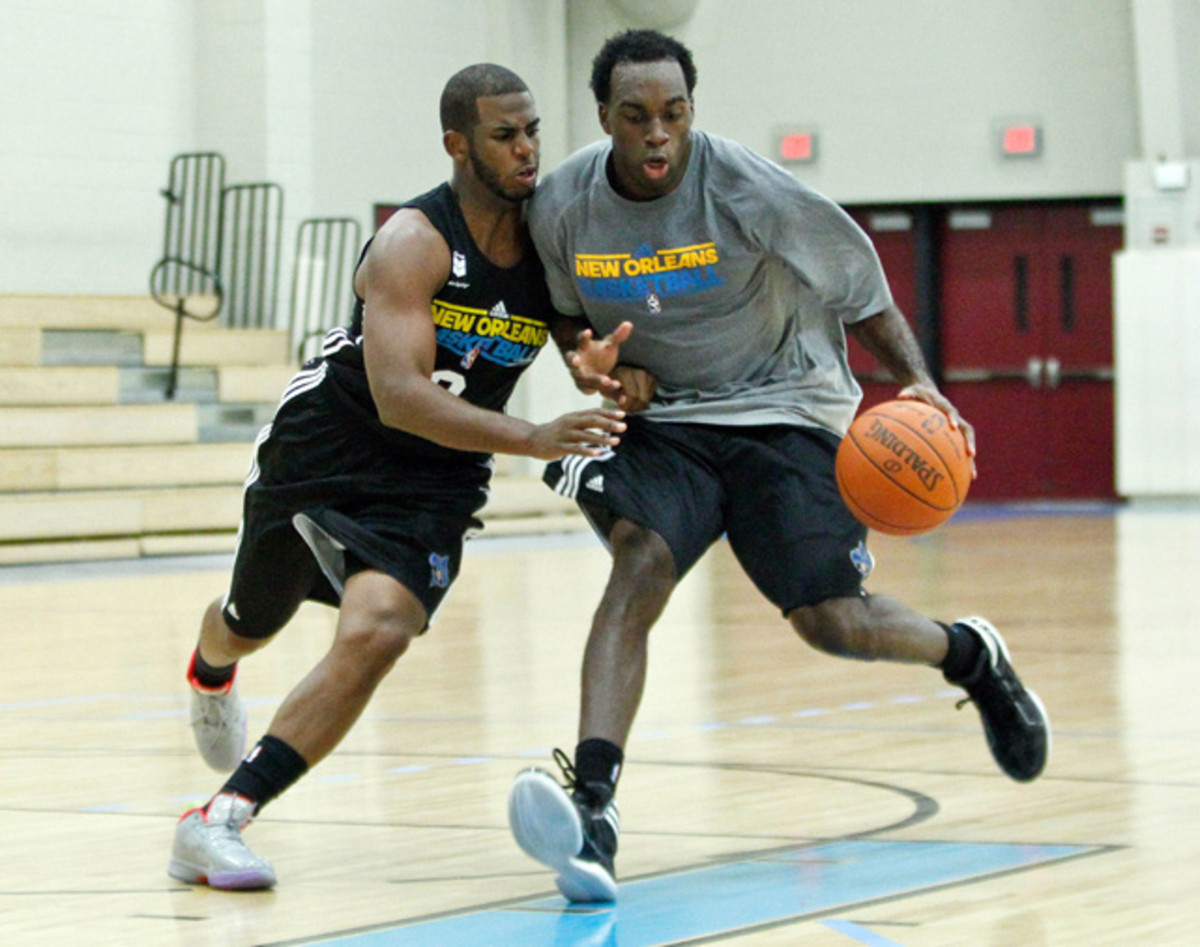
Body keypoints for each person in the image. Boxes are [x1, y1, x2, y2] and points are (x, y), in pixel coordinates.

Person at [506, 29, 1050, 904]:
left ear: (692, 113)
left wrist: (917, 382)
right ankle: (594, 806)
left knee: (833, 622)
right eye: (636, 116)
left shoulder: (750, 188)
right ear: (604, 115)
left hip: (784, 407)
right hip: (667, 423)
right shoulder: (562, 203)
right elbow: (568, 318)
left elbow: (860, 287)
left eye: (674, 114)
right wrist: (591, 360)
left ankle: (970, 657)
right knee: (640, 561)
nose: (657, 134)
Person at [167, 63, 637, 891]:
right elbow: (399, 397)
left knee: (381, 626)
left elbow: (572, 332)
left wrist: (597, 365)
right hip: (330, 448)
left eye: (532, 130)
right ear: (459, 144)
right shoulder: (413, 242)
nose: (527, 149)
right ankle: (211, 667)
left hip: (435, 480)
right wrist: (533, 436)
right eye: (505, 134)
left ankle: (218, 819)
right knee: (249, 620)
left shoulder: (547, 242)